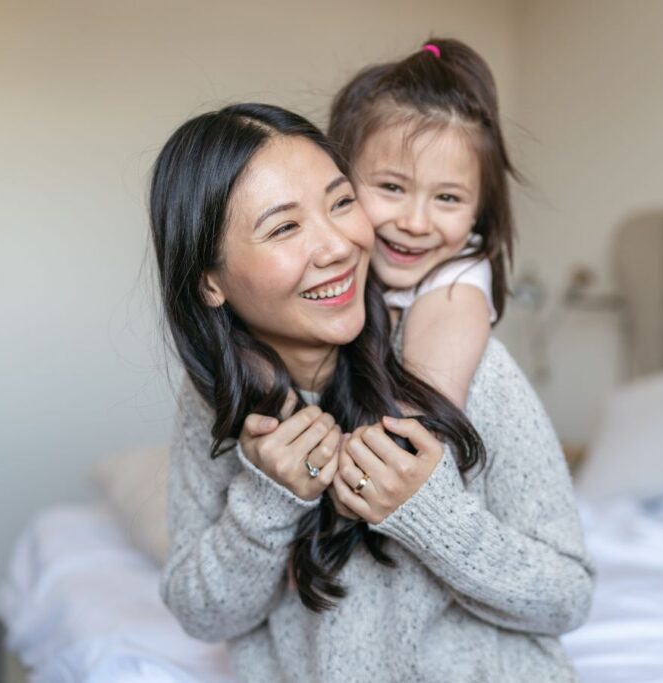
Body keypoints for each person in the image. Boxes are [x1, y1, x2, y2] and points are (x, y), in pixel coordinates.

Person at [151, 102, 594, 682]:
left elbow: (567, 598)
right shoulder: (215, 399)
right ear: (209, 280)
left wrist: (429, 513)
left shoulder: (467, 366)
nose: (337, 245)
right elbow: (203, 617)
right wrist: (267, 502)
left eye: (340, 203)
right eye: (285, 227)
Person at [328, 37, 517, 409]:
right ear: (340, 179)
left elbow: (416, 433)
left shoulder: (457, 288)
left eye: (447, 198)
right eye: (392, 187)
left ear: (479, 209)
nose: (415, 224)